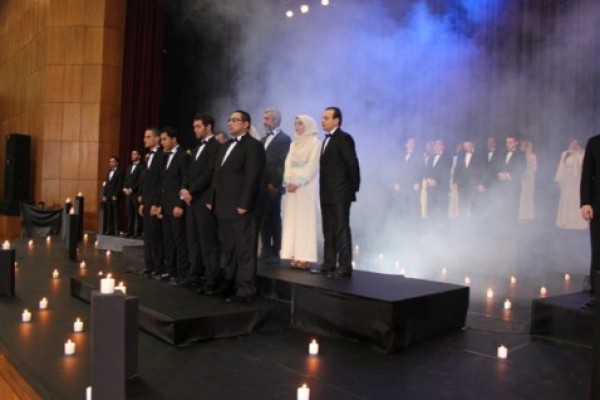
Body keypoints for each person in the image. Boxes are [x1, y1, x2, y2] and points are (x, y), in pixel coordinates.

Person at [210, 110, 266, 302]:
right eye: (229, 120)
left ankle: (246, 290)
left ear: (246, 124)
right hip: (224, 206)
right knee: (228, 249)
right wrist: (213, 200)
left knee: (244, 250)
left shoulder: (254, 146)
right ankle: (229, 285)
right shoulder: (225, 146)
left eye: (235, 120)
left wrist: (245, 203)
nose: (230, 123)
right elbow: (218, 176)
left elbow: (253, 176)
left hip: (242, 208)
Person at [312, 107, 360, 278]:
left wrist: (352, 189)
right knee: (328, 229)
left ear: (336, 120)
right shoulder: (325, 140)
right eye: (322, 117)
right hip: (326, 192)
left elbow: (352, 165)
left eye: (326, 117)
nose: (322, 120)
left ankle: (345, 266)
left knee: (341, 229)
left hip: (340, 193)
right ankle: (328, 264)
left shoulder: (344, 138)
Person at [178, 113, 221, 291]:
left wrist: (192, 191)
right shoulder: (196, 148)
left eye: (198, 127)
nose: (194, 130)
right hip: (192, 200)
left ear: (208, 127)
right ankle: (194, 274)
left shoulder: (216, 147)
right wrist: (184, 189)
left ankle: (211, 279)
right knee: (193, 240)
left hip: (204, 199)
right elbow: (188, 173)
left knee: (207, 241)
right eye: (194, 127)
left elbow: (210, 173)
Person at [280, 115, 321, 269]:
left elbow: (313, 166)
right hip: (292, 186)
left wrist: (298, 182)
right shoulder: (294, 143)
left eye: (300, 124)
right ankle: (293, 253)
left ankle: (304, 256)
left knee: (305, 220)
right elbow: (288, 163)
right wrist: (288, 181)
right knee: (292, 219)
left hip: (306, 186)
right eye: (296, 124)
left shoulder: (315, 143)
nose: (297, 127)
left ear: (308, 126)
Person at [158, 127, 190, 284]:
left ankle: (181, 272)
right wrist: (160, 205)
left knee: (179, 240)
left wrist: (180, 204)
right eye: (161, 140)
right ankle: (169, 270)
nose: (162, 143)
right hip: (166, 204)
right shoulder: (165, 156)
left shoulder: (183, 155)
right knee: (168, 239)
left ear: (174, 139)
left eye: (165, 139)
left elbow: (185, 180)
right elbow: (164, 183)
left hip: (176, 204)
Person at [259, 108, 291, 264]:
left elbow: (282, 162)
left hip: (274, 186)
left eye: (267, 119)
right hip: (262, 185)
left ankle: (276, 249)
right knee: (263, 219)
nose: (264, 121)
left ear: (276, 120)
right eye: (264, 118)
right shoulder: (263, 139)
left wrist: (275, 183)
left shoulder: (285, 139)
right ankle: (265, 248)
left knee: (274, 219)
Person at [138, 128, 164, 278]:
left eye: (148, 137)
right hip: (147, 201)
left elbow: (160, 182)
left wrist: (157, 203)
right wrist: (143, 201)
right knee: (147, 234)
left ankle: (158, 266)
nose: (145, 139)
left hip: (155, 202)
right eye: (145, 136)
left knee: (155, 235)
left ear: (157, 138)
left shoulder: (162, 155)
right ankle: (149, 265)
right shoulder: (149, 156)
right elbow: (146, 181)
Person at [581, 134, 600, 300]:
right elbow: (586, 174)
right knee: (598, 249)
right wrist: (585, 202)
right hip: (598, 205)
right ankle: (596, 290)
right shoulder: (594, 142)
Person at [556, 139, 587, 229]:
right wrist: (559, 179)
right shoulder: (565, 154)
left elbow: (584, 165)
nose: (574, 145)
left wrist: (579, 153)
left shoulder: (583, 153)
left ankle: (578, 222)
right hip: (568, 180)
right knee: (567, 199)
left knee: (577, 199)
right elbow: (561, 166)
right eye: (573, 143)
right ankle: (566, 221)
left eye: (576, 143)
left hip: (578, 180)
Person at [452, 140, 482, 218]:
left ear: (473, 144)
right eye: (465, 146)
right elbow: (457, 169)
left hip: (474, 185)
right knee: (462, 205)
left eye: (468, 146)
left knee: (473, 205)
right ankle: (462, 222)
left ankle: (474, 222)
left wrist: (480, 183)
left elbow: (482, 170)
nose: (467, 148)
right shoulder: (461, 154)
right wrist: (454, 181)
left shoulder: (479, 154)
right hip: (462, 184)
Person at [497, 135, 525, 220]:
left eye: (510, 142)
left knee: (512, 209)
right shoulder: (502, 154)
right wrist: (499, 174)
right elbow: (497, 166)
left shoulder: (520, 155)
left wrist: (508, 175)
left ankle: (512, 226)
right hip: (502, 186)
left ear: (515, 143)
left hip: (513, 187)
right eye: (507, 142)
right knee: (502, 209)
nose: (508, 144)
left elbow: (522, 169)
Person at [423, 139, 452, 219]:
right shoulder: (431, 156)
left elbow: (446, 173)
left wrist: (436, 182)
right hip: (431, 189)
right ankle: (432, 226)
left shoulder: (448, 157)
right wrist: (428, 180)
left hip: (442, 189)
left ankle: (443, 226)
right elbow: (426, 170)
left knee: (442, 211)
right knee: (431, 210)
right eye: (435, 144)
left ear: (443, 146)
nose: (436, 146)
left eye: (439, 144)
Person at [397, 138, 423, 220]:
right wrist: (397, 182)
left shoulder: (419, 156)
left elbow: (421, 170)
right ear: (406, 145)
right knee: (403, 205)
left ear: (414, 145)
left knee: (414, 206)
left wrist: (418, 183)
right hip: (403, 185)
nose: (411, 144)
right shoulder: (401, 155)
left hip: (413, 185)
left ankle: (415, 224)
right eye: (409, 143)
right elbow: (397, 170)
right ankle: (404, 222)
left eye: (412, 143)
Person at [123, 149, 144, 238]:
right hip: (128, 194)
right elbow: (125, 179)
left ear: (139, 156)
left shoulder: (142, 167)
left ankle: (137, 232)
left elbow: (140, 180)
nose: (132, 155)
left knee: (137, 213)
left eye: (135, 154)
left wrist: (132, 188)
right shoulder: (129, 167)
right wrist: (124, 188)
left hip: (136, 193)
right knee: (130, 213)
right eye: (132, 154)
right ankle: (130, 231)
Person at [102, 156, 123, 235]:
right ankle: (109, 229)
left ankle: (116, 230)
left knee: (116, 213)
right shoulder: (108, 172)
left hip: (115, 196)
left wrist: (116, 194)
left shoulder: (120, 172)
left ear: (117, 163)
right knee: (109, 213)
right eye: (110, 161)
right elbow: (106, 184)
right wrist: (104, 195)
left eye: (113, 161)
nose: (111, 163)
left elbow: (120, 185)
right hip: (108, 195)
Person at [518, 139, 537, 220]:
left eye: (523, 146)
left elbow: (534, 168)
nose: (522, 147)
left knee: (528, 196)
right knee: (522, 196)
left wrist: (527, 173)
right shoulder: (519, 156)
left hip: (529, 179)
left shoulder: (532, 156)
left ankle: (528, 215)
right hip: (521, 178)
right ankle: (521, 215)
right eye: (521, 145)